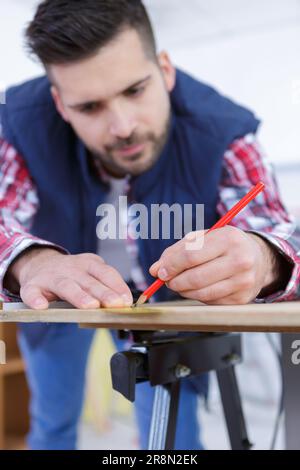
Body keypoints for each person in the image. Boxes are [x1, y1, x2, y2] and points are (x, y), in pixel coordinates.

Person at [0, 0, 299, 450]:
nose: (122, 127)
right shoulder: (19, 123)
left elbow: (279, 230)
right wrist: (31, 261)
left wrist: (265, 259)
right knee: (52, 423)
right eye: (90, 107)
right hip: (56, 299)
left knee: (174, 439)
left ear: (165, 69)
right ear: (59, 103)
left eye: (135, 90)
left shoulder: (224, 128)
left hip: (168, 311)